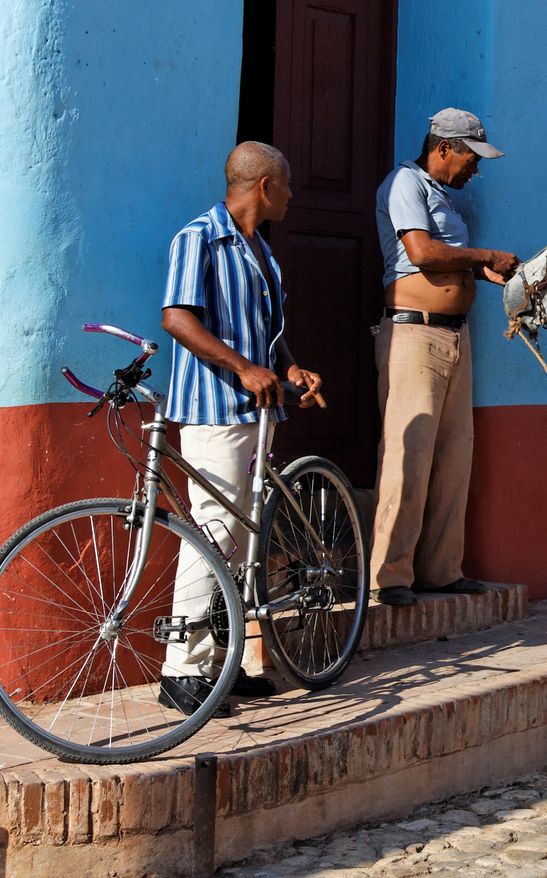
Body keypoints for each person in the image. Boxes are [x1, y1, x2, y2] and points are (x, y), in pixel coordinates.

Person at [159, 141, 323, 716]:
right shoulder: (197, 238)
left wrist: (288, 368)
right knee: (211, 534)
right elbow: (176, 318)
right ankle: (182, 669)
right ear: (264, 187)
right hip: (214, 409)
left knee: (241, 538)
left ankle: (223, 666)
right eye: (287, 184)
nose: (293, 194)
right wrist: (244, 369)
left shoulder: (262, 254)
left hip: (259, 411)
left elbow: (268, 337)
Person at [370, 108, 519, 606]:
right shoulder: (403, 184)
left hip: (454, 336)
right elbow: (422, 253)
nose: (474, 170)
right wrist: (482, 258)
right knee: (407, 456)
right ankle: (390, 577)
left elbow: (445, 259)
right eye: (471, 159)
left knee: (454, 456)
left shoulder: (442, 199)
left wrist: (483, 274)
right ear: (443, 148)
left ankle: (439, 569)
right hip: (414, 336)